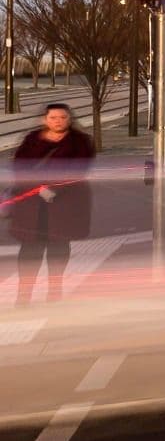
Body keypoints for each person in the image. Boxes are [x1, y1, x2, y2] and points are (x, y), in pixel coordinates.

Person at [10, 101, 95, 304]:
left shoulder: (80, 141)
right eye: (53, 118)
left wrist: (54, 188)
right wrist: (38, 187)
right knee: (30, 249)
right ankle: (24, 295)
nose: (58, 121)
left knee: (58, 246)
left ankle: (54, 291)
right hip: (31, 205)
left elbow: (78, 170)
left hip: (64, 205)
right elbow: (19, 166)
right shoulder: (32, 139)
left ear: (70, 119)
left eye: (63, 117)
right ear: (45, 119)